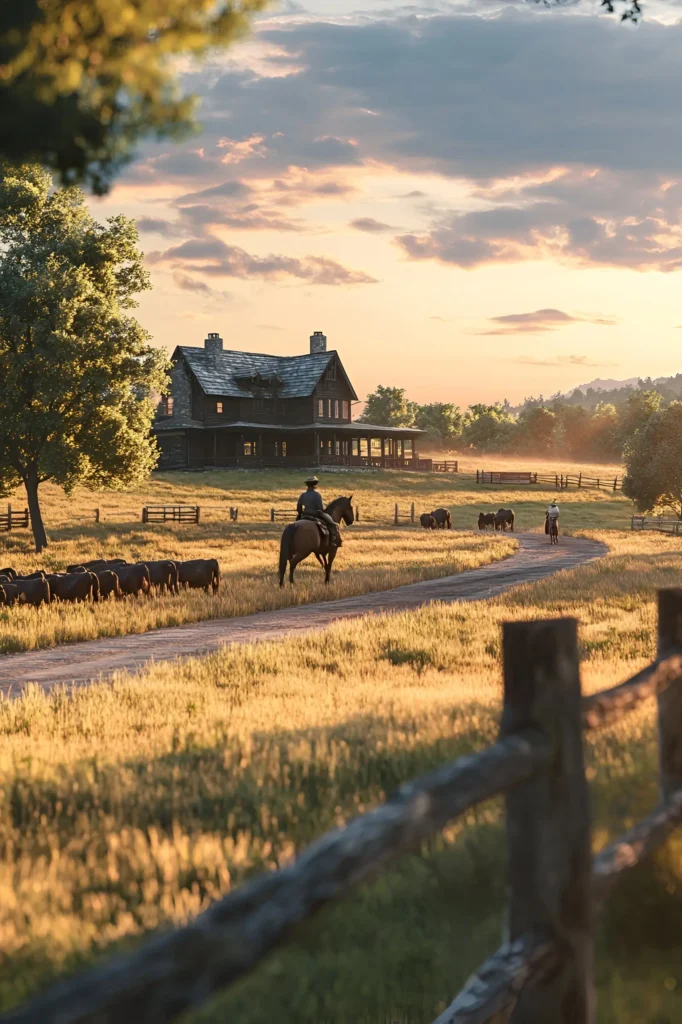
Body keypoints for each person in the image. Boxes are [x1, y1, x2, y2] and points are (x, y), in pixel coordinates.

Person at [296, 476, 342, 547]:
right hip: (315, 514)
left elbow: (299, 508)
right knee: (333, 524)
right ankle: (333, 541)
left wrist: (300, 514)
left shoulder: (303, 495)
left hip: (305, 515)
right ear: (315, 484)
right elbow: (320, 508)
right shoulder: (317, 495)